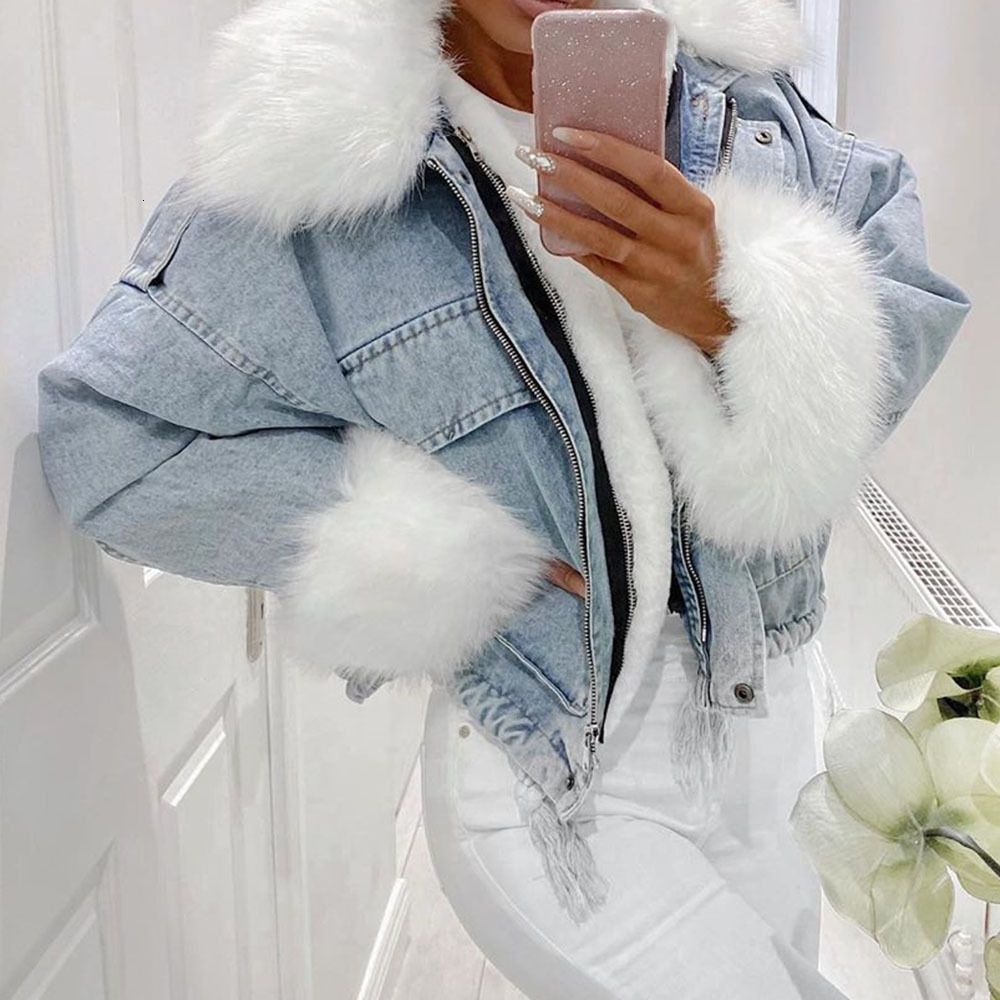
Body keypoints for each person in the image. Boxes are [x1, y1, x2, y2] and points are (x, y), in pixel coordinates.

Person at [36, 0, 970, 996]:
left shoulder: (738, 98)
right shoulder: (320, 147)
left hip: (769, 713)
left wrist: (728, 308)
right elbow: (107, 439)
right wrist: (425, 546)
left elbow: (906, 285)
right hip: (554, 759)